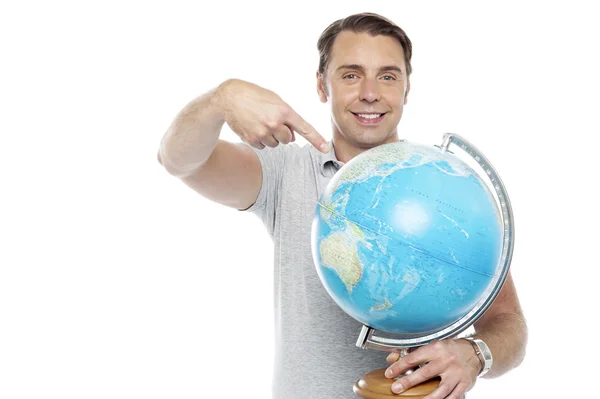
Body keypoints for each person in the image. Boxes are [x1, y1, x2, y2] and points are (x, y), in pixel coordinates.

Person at [157, 12, 528, 399]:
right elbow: (178, 160)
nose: (371, 92)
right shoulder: (285, 173)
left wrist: (476, 353)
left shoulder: (444, 185)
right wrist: (220, 99)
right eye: (351, 75)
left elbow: (509, 325)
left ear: (406, 88)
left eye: (388, 76)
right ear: (322, 85)